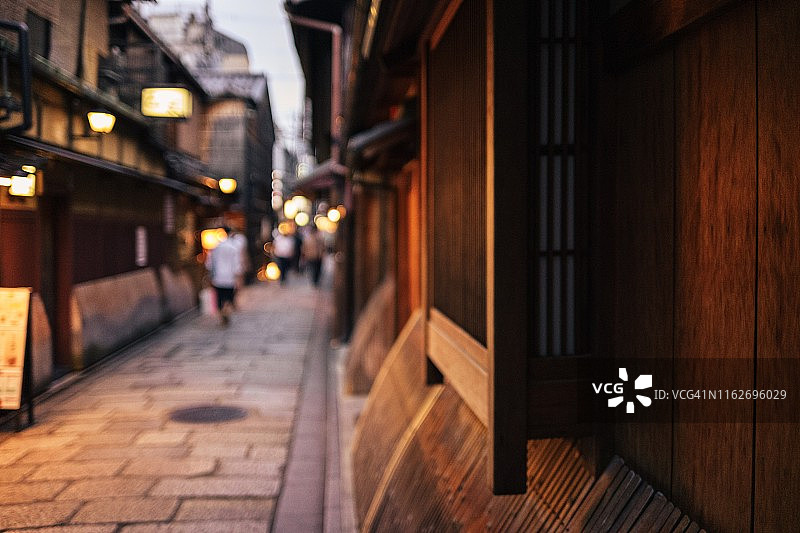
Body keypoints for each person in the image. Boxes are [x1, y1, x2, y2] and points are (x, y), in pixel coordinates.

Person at [205, 226, 243, 325]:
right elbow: (236, 263)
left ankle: (223, 313)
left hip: (218, 277)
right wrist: (238, 276)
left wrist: (210, 275)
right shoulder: (233, 247)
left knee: (220, 297)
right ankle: (226, 311)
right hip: (230, 276)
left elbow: (209, 263)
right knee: (228, 296)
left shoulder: (215, 247)